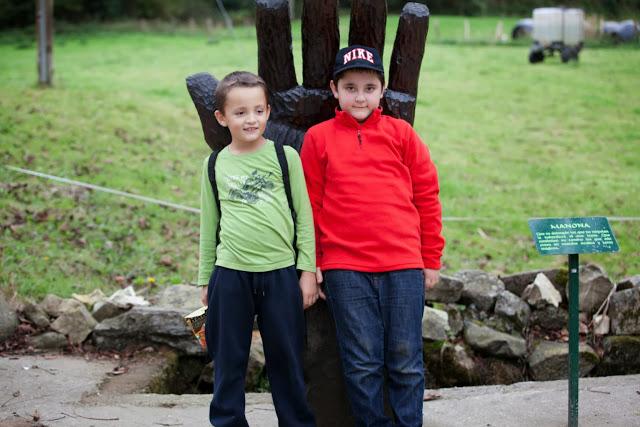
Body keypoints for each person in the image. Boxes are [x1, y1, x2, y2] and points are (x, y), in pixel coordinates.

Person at [300, 45, 445, 427]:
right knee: (362, 362)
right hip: (345, 267)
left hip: (403, 265)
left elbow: (427, 196)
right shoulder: (318, 138)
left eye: (368, 87)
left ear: (382, 91)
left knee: (405, 358)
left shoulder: (402, 134)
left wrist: (430, 259)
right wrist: (313, 262)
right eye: (350, 87)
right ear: (335, 90)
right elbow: (310, 205)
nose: (359, 96)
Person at [197, 71, 317, 427]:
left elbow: (304, 217)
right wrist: (206, 278)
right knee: (229, 362)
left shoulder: (286, 157)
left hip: (280, 273)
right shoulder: (215, 164)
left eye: (258, 110)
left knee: (287, 362)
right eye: (240, 112)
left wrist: (307, 270)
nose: (251, 119)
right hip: (230, 275)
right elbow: (208, 225)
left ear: (267, 112)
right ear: (222, 118)